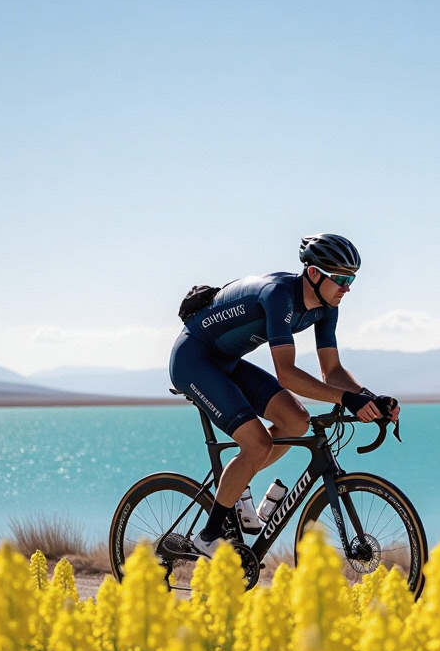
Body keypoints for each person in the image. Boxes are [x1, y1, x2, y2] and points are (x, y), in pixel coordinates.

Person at [169, 233, 399, 557]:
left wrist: (369, 397)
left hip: (227, 361)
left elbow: (332, 371)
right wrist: (348, 400)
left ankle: (239, 485)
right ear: (314, 273)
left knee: (296, 421)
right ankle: (208, 535)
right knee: (257, 443)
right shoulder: (279, 295)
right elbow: (286, 373)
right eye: (342, 279)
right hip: (193, 360)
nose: (347, 287)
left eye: (352, 280)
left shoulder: (326, 307)